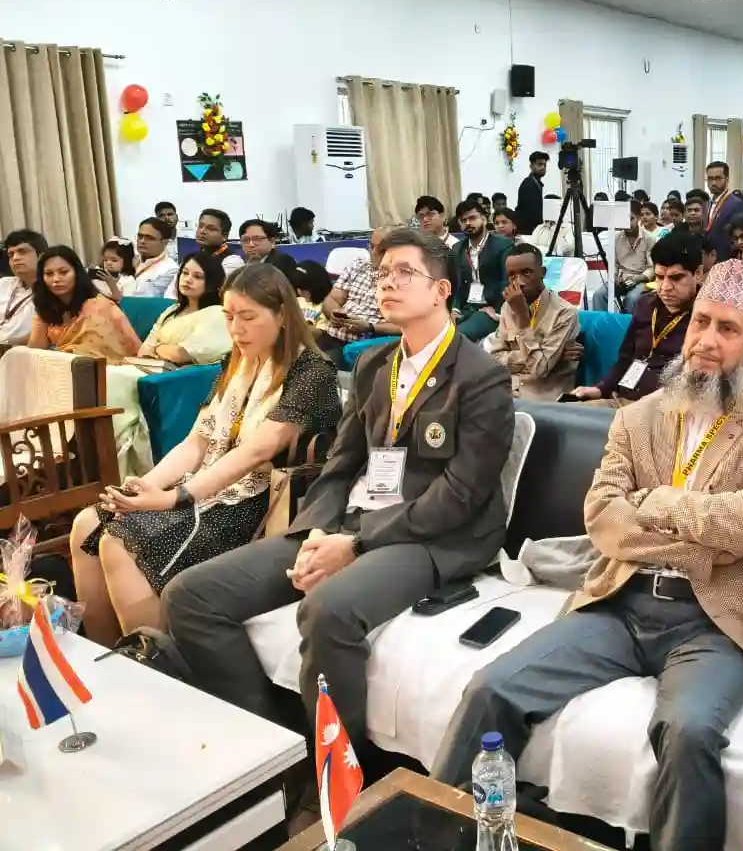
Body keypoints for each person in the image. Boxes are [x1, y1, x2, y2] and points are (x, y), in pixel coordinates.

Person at [435, 259, 743, 851]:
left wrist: (657, 501)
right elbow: (604, 520)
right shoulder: (636, 418)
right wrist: (706, 540)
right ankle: (440, 833)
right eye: (701, 322)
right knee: (490, 688)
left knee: (688, 731)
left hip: (718, 622)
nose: (708, 341)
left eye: (728, 329)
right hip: (622, 604)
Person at [164, 231, 514, 757]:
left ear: (441, 290)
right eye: (383, 273)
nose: (387, 283)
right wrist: (315, 529)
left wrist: (356, 543)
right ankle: (277, 748)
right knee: (190, 597)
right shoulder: (374, 365)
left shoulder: (481, 377)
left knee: (329, 611)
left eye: (404, 273)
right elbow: (341, 463)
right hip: (350, 523)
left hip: (434, 536)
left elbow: (460, 495)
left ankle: (341, 772)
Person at [70, 264, 341, 646]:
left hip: (258, 500)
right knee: (86, 523)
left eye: (248, 317)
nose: (236, 329)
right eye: (229, 317)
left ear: (282, 314)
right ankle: (102, 654)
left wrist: (176, 497)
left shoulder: (312, 370)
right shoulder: (237, 361)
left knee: (117, 541)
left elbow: (258, 451)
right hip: (211, 484)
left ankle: (155, 664)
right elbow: (197, 442)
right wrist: (144, 487)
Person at [571, 230, 704, 406]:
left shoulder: (707, 317)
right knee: (565, 412)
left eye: (676, 278)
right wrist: (600, 389)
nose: (665, 287)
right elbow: (625, 358)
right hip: (623, 400)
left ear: (698, 273)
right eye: (659, 277)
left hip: (668, 409)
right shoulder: (645, 305)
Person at [491, 243, 579, 401]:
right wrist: (548, 356)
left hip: (542, 396)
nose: (519, 282)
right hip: (508, 389)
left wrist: (523, 319)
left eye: (527, 272)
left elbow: (539, 369)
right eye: (512, 275)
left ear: (542, 273)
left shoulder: (564, 313)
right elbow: (495, 359)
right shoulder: (508, 307)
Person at [28, 246, 140, 362]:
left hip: (107, 368)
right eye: (49, 274)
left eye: (64, 272)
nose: (56, 279)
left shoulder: (98, 307)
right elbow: (35, 351)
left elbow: (96, 355)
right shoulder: (47, 307)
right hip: (61, 365)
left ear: (77, 273)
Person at [314, 228, 399, 362]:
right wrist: (333, 313)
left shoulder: (403, 279)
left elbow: (409, 326)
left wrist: (370, 327)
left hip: (369, 345)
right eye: (371, 246)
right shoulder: (358, 266)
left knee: (319, 367)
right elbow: (332, 299)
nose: (373, 253)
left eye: (381, 250)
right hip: (333, 336)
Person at [136, 251, 232, 367]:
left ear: (212, 283)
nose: (188, 279)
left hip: (179, 374)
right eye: (185, 273)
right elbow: (145, 349)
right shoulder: (172, 310)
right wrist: (156, 351)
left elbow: (181, 354)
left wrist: (157, 348)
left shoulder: (217, 312)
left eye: (197, 277)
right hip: (149, 367)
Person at [452, 199, 513, 341]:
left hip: (490, 310)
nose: (468, 223)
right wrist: (454, 309)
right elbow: (455, 284)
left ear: (484, 219)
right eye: (463, 220)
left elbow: (507, 282)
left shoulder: (503, 246)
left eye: (472, 218)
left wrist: (497, 310)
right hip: (466, 309)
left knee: (456, 337)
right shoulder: (457, 249)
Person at [593, 204, 656, 313]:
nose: (628, 223)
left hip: (641, 280)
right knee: (598, 295)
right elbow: (613, 263)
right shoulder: (616, 238)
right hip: (621, 280)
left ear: (639, 218)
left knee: (631, 299)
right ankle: (600, 323)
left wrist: (637, 279)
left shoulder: (649, 238)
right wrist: (615, 278)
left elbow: (652, 268)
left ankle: (628, 324)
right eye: (624, 220)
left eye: (631, 219)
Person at [0, 229, 46, 345]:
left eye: (22, 251)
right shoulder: (3, 284)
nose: (15, 258)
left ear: (41, 256)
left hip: (19, 350)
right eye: (11, 255)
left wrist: (6, 344)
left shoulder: (53, 289)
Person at [703, 161, 743, 262]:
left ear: (727, 179)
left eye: (718, 178)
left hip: (726, 260)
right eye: (710, 179)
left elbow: (738, 237)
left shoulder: (736, 204)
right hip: (709, 260)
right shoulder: (708, 204)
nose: (713, 183)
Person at [132, 217, 180, 298]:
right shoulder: (128, 259)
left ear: (165, 242)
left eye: (150, 238)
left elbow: (149, 297)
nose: (142, 241)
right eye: (140, 236)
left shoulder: (171, 269)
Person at [514, 150, 549, 235]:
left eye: (545, 165)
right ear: (531, 166)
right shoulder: (528, 184)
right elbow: (532, 212)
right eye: (539, 164)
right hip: (528, 231)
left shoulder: (536, 183)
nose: (543, 167)